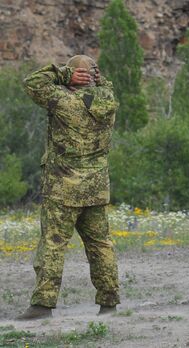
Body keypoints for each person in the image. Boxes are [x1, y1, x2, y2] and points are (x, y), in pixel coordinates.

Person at [17, 55, 120, 319]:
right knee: (100, 245)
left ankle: (42, 306)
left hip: (62, 187)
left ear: (74, 77)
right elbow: (105, 86)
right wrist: (97, 78)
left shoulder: (64, 101)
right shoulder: (108, 99)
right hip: (96, 187)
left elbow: (32, 82)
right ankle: (109, 303)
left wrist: (63, 74)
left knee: (53, 244)